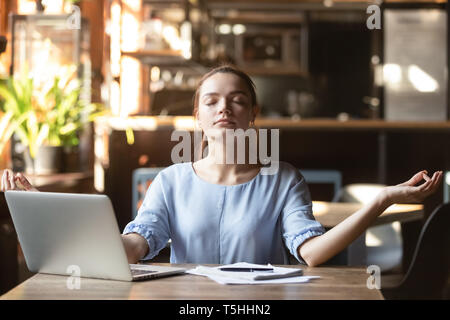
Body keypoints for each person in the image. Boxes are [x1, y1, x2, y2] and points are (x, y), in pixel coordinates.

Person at [1, 65, 443, 267]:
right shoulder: (169, 181)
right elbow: (132, 251)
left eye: (237, 101)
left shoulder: (284, 178)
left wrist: (383, 200)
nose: (224, 109)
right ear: (197, 117)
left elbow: (312, 254)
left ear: (253, 115)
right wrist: (53, 216)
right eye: (211, 101)